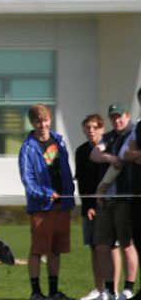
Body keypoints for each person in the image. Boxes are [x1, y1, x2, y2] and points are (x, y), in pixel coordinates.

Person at [19, 104, 75, 300]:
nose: (42, 125)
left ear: (50, 120)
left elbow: (66, 170)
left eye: (45, 120)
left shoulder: (59, 141)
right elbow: (28, 181)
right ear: (32, 123)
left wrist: (69, 193)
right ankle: (36, 292)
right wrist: (46, 193)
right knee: (38, 250)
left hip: (62, 205)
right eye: (38, 121)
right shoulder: (27, 148)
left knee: (56, 250)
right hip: (41, 207)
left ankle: (53, 291)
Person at [90, 104, 137, 300]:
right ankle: (109, 290)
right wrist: (111, 158)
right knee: (102, 245)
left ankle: (128, 288)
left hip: (124, 198)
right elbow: (94, 154)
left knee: (126, 244)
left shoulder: (134, 134)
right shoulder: (109, 137)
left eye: (120, 117)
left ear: (127, 116)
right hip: (106, 199)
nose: (117, 121)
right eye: (113, 118)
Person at [75, 114, 118, 300]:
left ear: (102, 129)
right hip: (91, 206)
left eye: (95, 127)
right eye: (87, 127)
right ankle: (99, 289)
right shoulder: (81, 151)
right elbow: (82, 182)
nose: (91, 131)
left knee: (112, 246)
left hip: (110, 204)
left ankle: (113, 290)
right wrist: (88, 206)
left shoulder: (111, 147)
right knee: (94, 246)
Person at [122, 88, 141, 300]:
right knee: (139, 240)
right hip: (136, 192)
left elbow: (133, 154)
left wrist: (135, 155)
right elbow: (128, 154)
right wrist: (134, 155)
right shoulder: (139, 126)